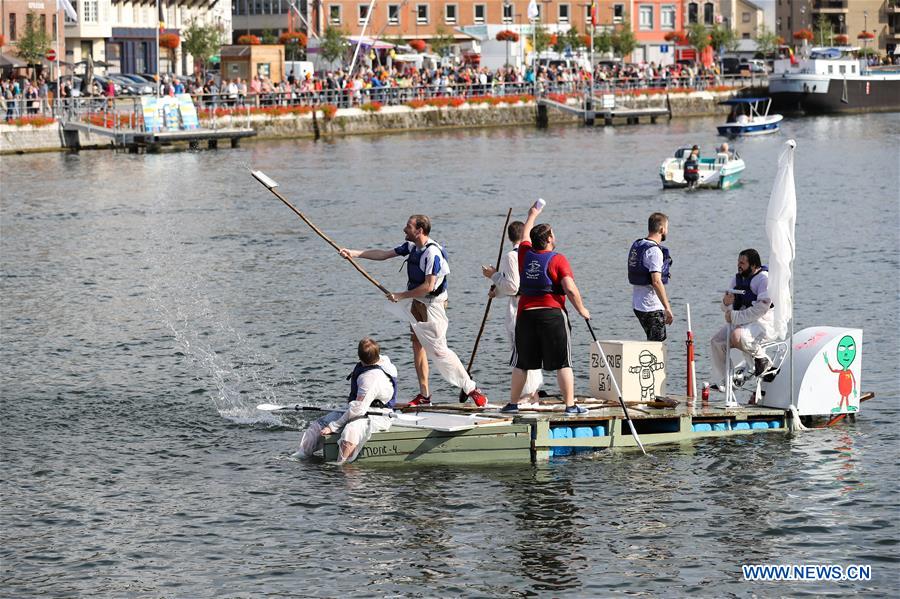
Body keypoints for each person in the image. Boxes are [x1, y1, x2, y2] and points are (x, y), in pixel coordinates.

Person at [340, 215, 488, 407]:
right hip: (417, 302)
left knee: (440, 352)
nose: (404, 229)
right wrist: (353, 253)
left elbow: (428, 286)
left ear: (419, 230)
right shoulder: (411, 247)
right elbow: (384, 254)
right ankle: (424, 395)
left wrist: (401, 296)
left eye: (408, 227)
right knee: (417, 346)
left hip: (433, 305)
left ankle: (471, 389)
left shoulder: (432, 253)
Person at [500, 201, 591, 415]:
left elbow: (524, 237)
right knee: (563, 363)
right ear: (549, 239)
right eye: (553, 234)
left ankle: (513, 403)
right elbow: (569, 288)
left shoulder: (524, 253)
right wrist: (582, 310)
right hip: (552, 316)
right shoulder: (558, 259)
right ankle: (570, 406)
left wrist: (532, 213)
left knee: (522, 363)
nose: (555, 237)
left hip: (526, 316)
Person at [294, 337, 398, 463]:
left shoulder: (370, 378)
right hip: (359, 407)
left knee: (351, 431)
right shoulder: (383, 359)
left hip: (378, 414)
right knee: (318, 425)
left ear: (359, 356)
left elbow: (357, 410)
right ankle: (300, 455)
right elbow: (357, 407)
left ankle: (341, 464)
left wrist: (334, 426)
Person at [481, 221, 543, 401]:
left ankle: (526, 395)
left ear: (509, 237)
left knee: (520, 353)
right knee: (532, 351)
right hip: (535, 306)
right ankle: (534, 394)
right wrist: (497, 291)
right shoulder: (535, 253)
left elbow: (513, 287)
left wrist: (493, 274)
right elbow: (515, 285)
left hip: (519, 309)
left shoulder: (512, 255)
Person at [710, 249, 775, 391]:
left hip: (762, 322)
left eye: (742, 263)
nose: (739, 266)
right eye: (738, 262)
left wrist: (734, 316)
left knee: (736, 336)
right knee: (717, 342)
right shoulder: (736, 279)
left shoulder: (764, 279)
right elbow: (726, 307)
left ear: (753, 265)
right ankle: (728, 379)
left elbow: (761, 309)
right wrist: (726, 303)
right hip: (741, 322)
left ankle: (762, 359)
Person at [628, 212, 674, 341]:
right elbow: (656, 281)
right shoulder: (654, 251)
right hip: (651, 306)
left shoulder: (639, 244)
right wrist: (667, 307)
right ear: (661, 229)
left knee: (652, 342)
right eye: (667, 228)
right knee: (656, 344)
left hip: (638, 304)